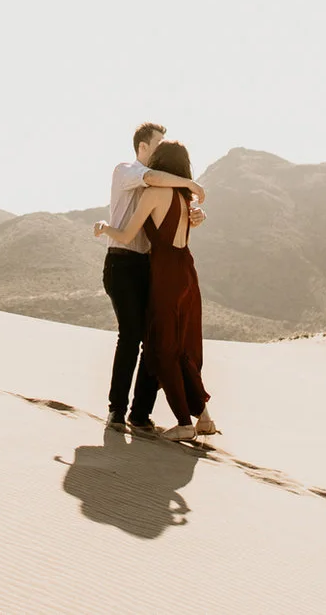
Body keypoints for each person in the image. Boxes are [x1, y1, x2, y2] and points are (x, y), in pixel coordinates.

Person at [90, 122, 204, 429]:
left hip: (150, 267)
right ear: (142, 147)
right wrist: (192, 184)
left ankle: (140, 414)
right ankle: (117, 409)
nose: (162, 150)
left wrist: (196, 212)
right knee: (130, 334)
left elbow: (175, 216)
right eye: (158, 144)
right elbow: (152, 176)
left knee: (152, 339)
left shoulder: (164, 188)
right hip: (122, 263)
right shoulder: (126, 170)